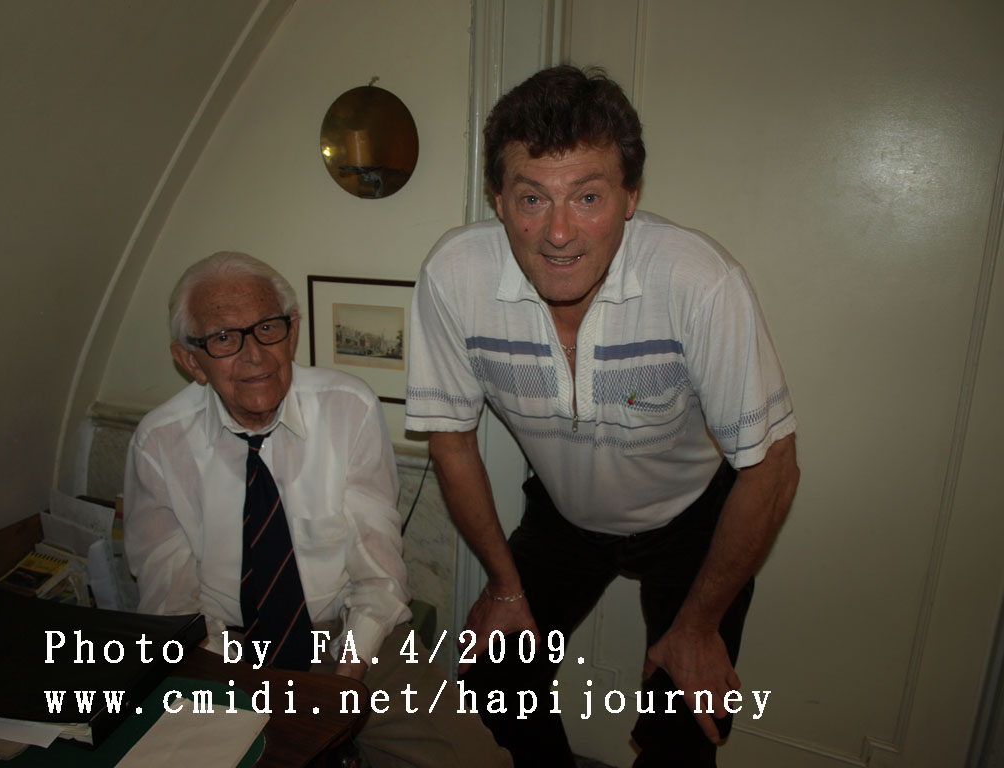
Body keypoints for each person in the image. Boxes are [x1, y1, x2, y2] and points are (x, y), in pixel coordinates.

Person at [405, 65, 800, 767]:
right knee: (494, 681)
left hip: (690, 519)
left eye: (587, 196)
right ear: (498, 200)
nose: (558, 232)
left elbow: (773, 466)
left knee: (687, 725)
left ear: (630, 197)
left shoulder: (698, 280)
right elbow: (452, 443)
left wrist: (699, 626)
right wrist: (504, 586)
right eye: (532, 198)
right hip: (563, 515)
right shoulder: (453, 277)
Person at [124, 251, 511, 768]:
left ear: (292, 333)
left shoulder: (348, 408)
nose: (255, 355)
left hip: (353, 632)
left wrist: (346, 674)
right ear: (190, 360)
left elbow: (377, 571)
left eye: (267, 328)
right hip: (224, 647)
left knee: (475, 761)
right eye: (223, 338)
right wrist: (233, 685)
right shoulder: (158, 443)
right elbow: (171, 605)